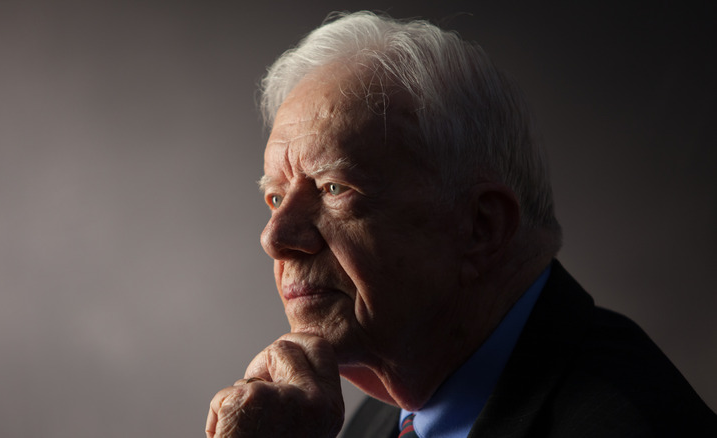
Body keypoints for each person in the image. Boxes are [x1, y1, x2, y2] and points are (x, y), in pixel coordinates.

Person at [206, 11, 717, 438]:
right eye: (275, 196)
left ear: (481, 226)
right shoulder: (386, 410)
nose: (275, 238)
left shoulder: (627, 424)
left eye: (334, 189)